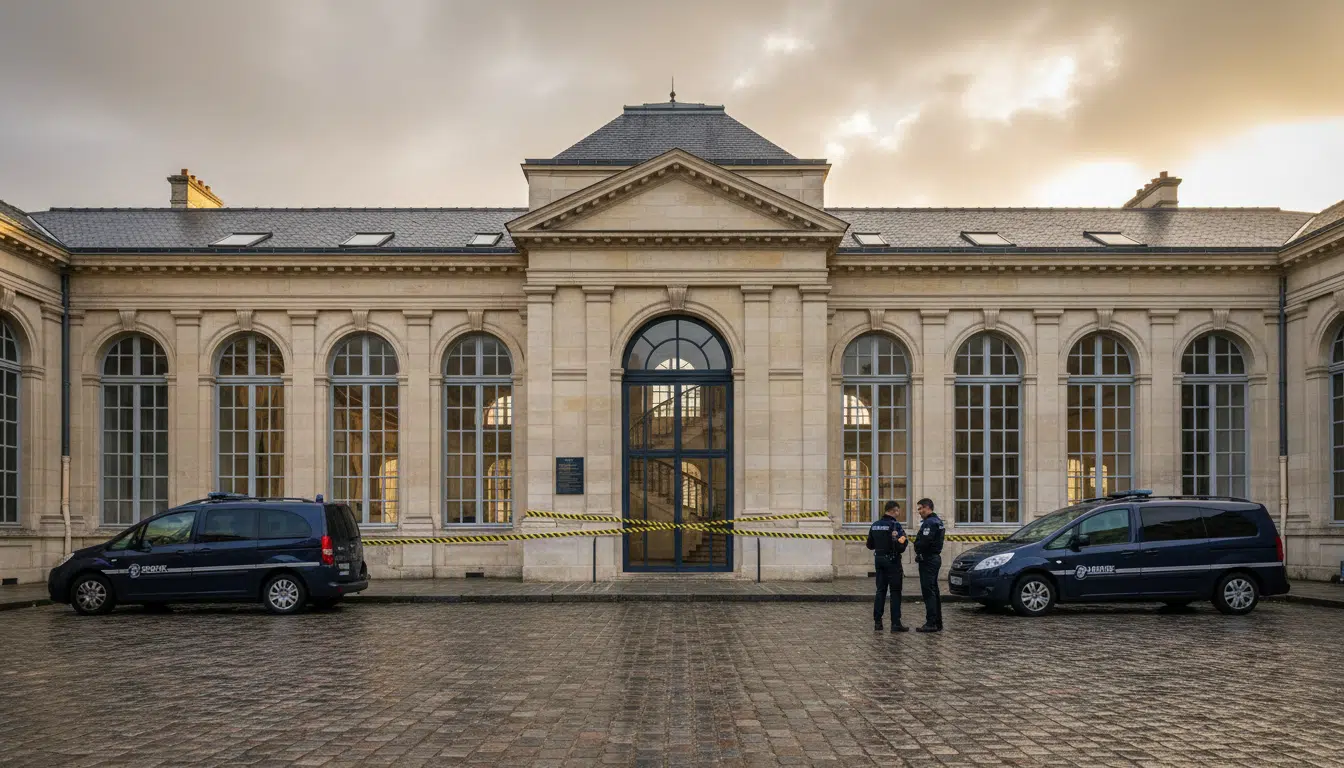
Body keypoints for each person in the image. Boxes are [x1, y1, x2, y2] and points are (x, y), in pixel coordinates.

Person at [866, 500, 909, 632]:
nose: (898, 513)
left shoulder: (875, 525)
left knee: (880, 590)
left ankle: (878, 622)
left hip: (879, 560)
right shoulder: (895, 525)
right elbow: (901, 546)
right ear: (893, 511)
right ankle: (895, 623)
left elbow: (870, 545)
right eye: (898, 511)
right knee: (895, 592)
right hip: (892, 561)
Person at [913, 498, 945, 632]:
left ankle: (931, 622)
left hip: (928, 559)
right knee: (934, 590)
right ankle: (937, 622)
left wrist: (917, 546)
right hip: (934, 558)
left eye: (921, 508)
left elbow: (924, 542)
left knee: (929, 591)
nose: (919, 511)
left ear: (927, 507)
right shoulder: (938, 521)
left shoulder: (929, 522)